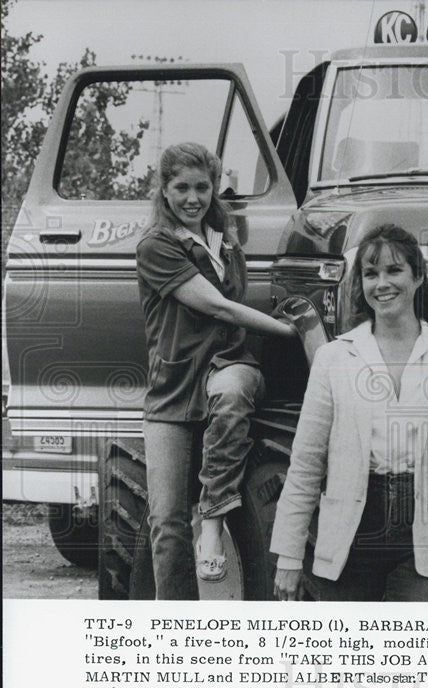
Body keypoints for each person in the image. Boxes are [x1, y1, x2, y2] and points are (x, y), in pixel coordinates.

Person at [270, 224, 428, 602]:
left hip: (427, 545)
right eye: (371, 273)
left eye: (394, 271)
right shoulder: (334, 358)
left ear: (419, 276)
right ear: (360, 283)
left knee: (412, 658)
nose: (382, 284)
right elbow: (306, 465)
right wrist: (289, 556)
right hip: (348, 540)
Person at [136, 142, 296, 599]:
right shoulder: (156, 245)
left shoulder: (226, 242)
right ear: (164, 191)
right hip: (174, 385)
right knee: (165, 522)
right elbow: (218, 307)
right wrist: (287, 332)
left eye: (202, 187)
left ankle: (214, 520)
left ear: (214, 188)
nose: (192, 198)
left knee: (230, 393)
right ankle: (176, 629)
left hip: (229, 366)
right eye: (181, 187)